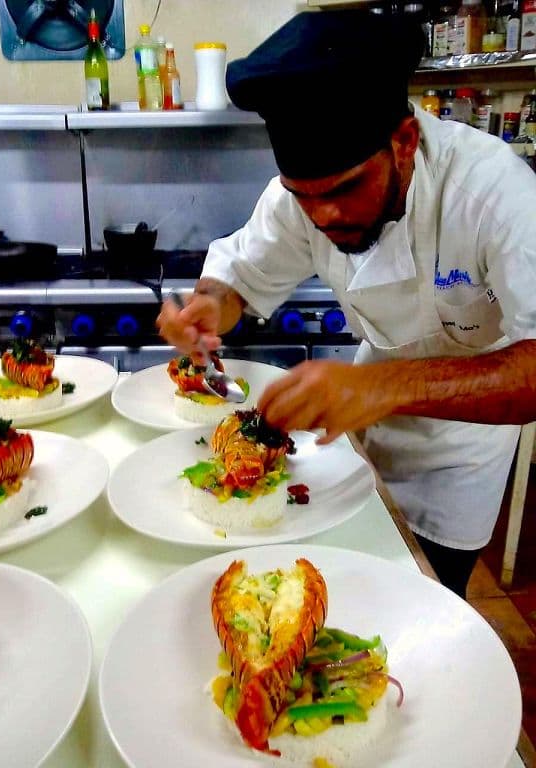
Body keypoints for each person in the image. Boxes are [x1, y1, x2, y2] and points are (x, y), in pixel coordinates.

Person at [157, 10, 536, 598]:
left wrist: (382, 388)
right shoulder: (300, 198)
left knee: (422, 601)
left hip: (458, 454)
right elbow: (239, 275)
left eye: (344, 190)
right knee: (336, 585)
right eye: (304, 198)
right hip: (356, 437)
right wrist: (208, 307)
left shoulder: (495, 195)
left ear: (404, 142)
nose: (324, 216)